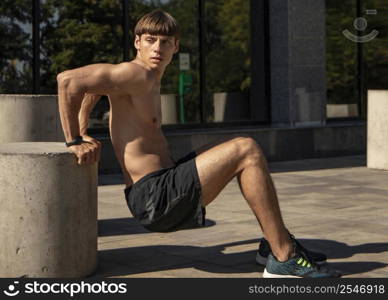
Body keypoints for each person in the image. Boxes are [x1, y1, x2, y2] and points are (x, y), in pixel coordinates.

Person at [57, 10, 340, 278]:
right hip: (156, 199)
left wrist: (85, 131)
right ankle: (283, 258)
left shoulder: (144, 77)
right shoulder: (137, 74)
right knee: (247, 149)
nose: (158, 48)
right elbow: (69, 81)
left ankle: (274, 242)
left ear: (176, 46)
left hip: (162, 186)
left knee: (232, 145)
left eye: (165, 42)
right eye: (150, 40)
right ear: (137, 42)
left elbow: (93, 87)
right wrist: (74, 140)